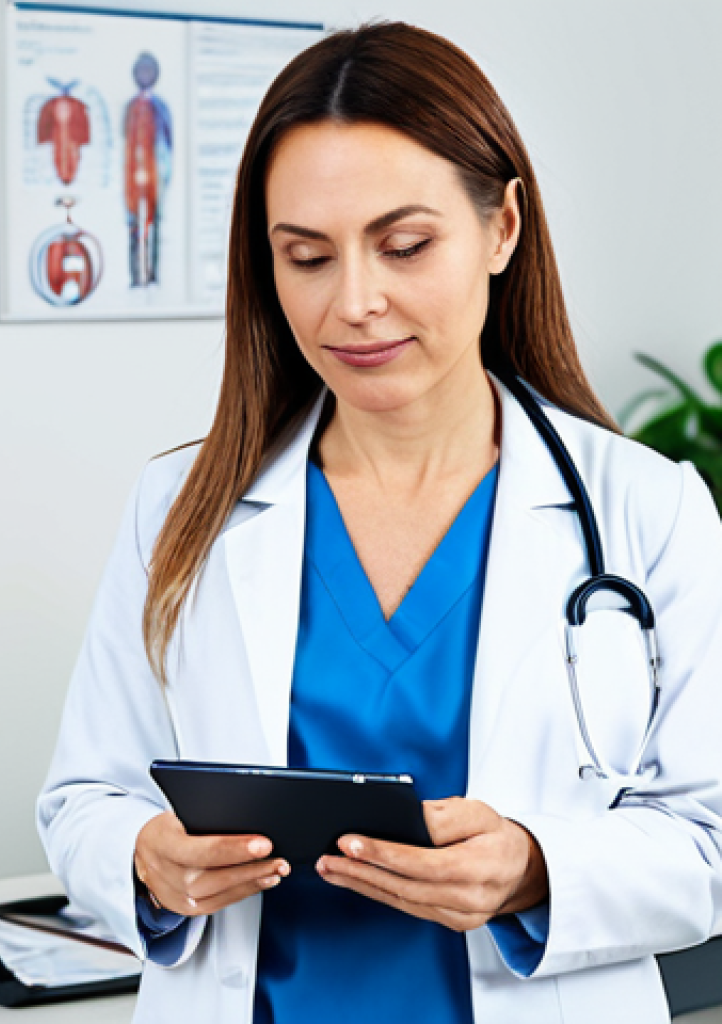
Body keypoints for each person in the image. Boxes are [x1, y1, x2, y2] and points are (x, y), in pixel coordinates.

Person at [37, 21, 722, 1024]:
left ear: (501, 228)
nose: (354, 302)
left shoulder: (646, 509)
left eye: (404, 245)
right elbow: (83, 800)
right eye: (305, 256)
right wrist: (143, 857)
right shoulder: (182, 507)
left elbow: (707, 840)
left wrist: (535, 869)